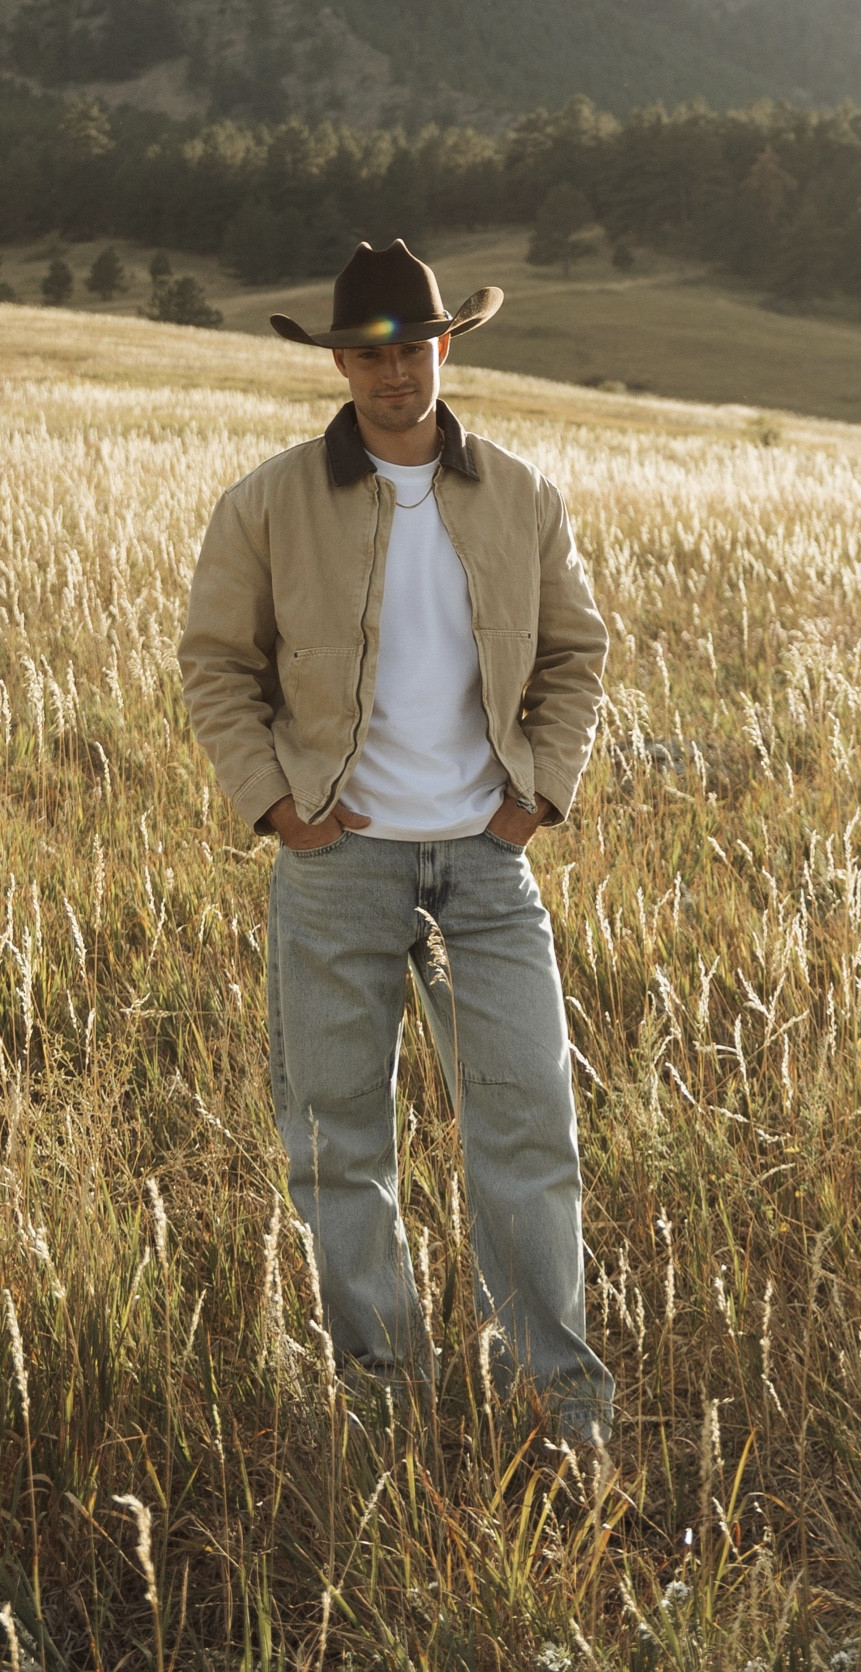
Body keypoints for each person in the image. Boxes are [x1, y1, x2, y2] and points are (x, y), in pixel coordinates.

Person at [179, 240, 614, 1438]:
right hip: (338, 866)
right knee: (336, 1143)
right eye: (368, 353)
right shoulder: (268, 500)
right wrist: (276, 805)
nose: (392, 372)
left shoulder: (521, 495)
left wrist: (533, 799)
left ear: (445, 347)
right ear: (338, 360)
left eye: (412, 346)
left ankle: (556, 1410)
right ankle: (381, 1402)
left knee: (528, 1128)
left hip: (486, 862)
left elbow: (578, 656)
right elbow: (216, 665)